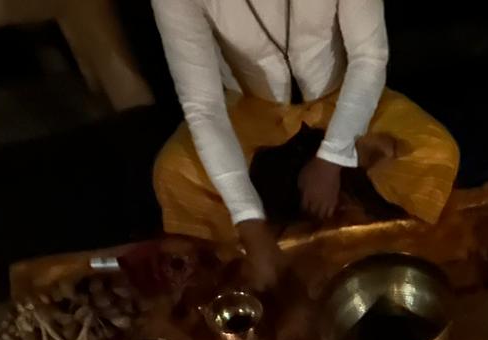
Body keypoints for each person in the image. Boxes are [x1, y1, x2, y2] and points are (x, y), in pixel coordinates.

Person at [150, 0, 460, 289]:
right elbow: (204, 108)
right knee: (174, 174)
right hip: (251, 106)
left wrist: (330, 159)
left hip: (340, 96)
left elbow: (369, 59)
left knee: (434, 152)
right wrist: (248, 222)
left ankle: (339, 157)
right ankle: (355, 160)